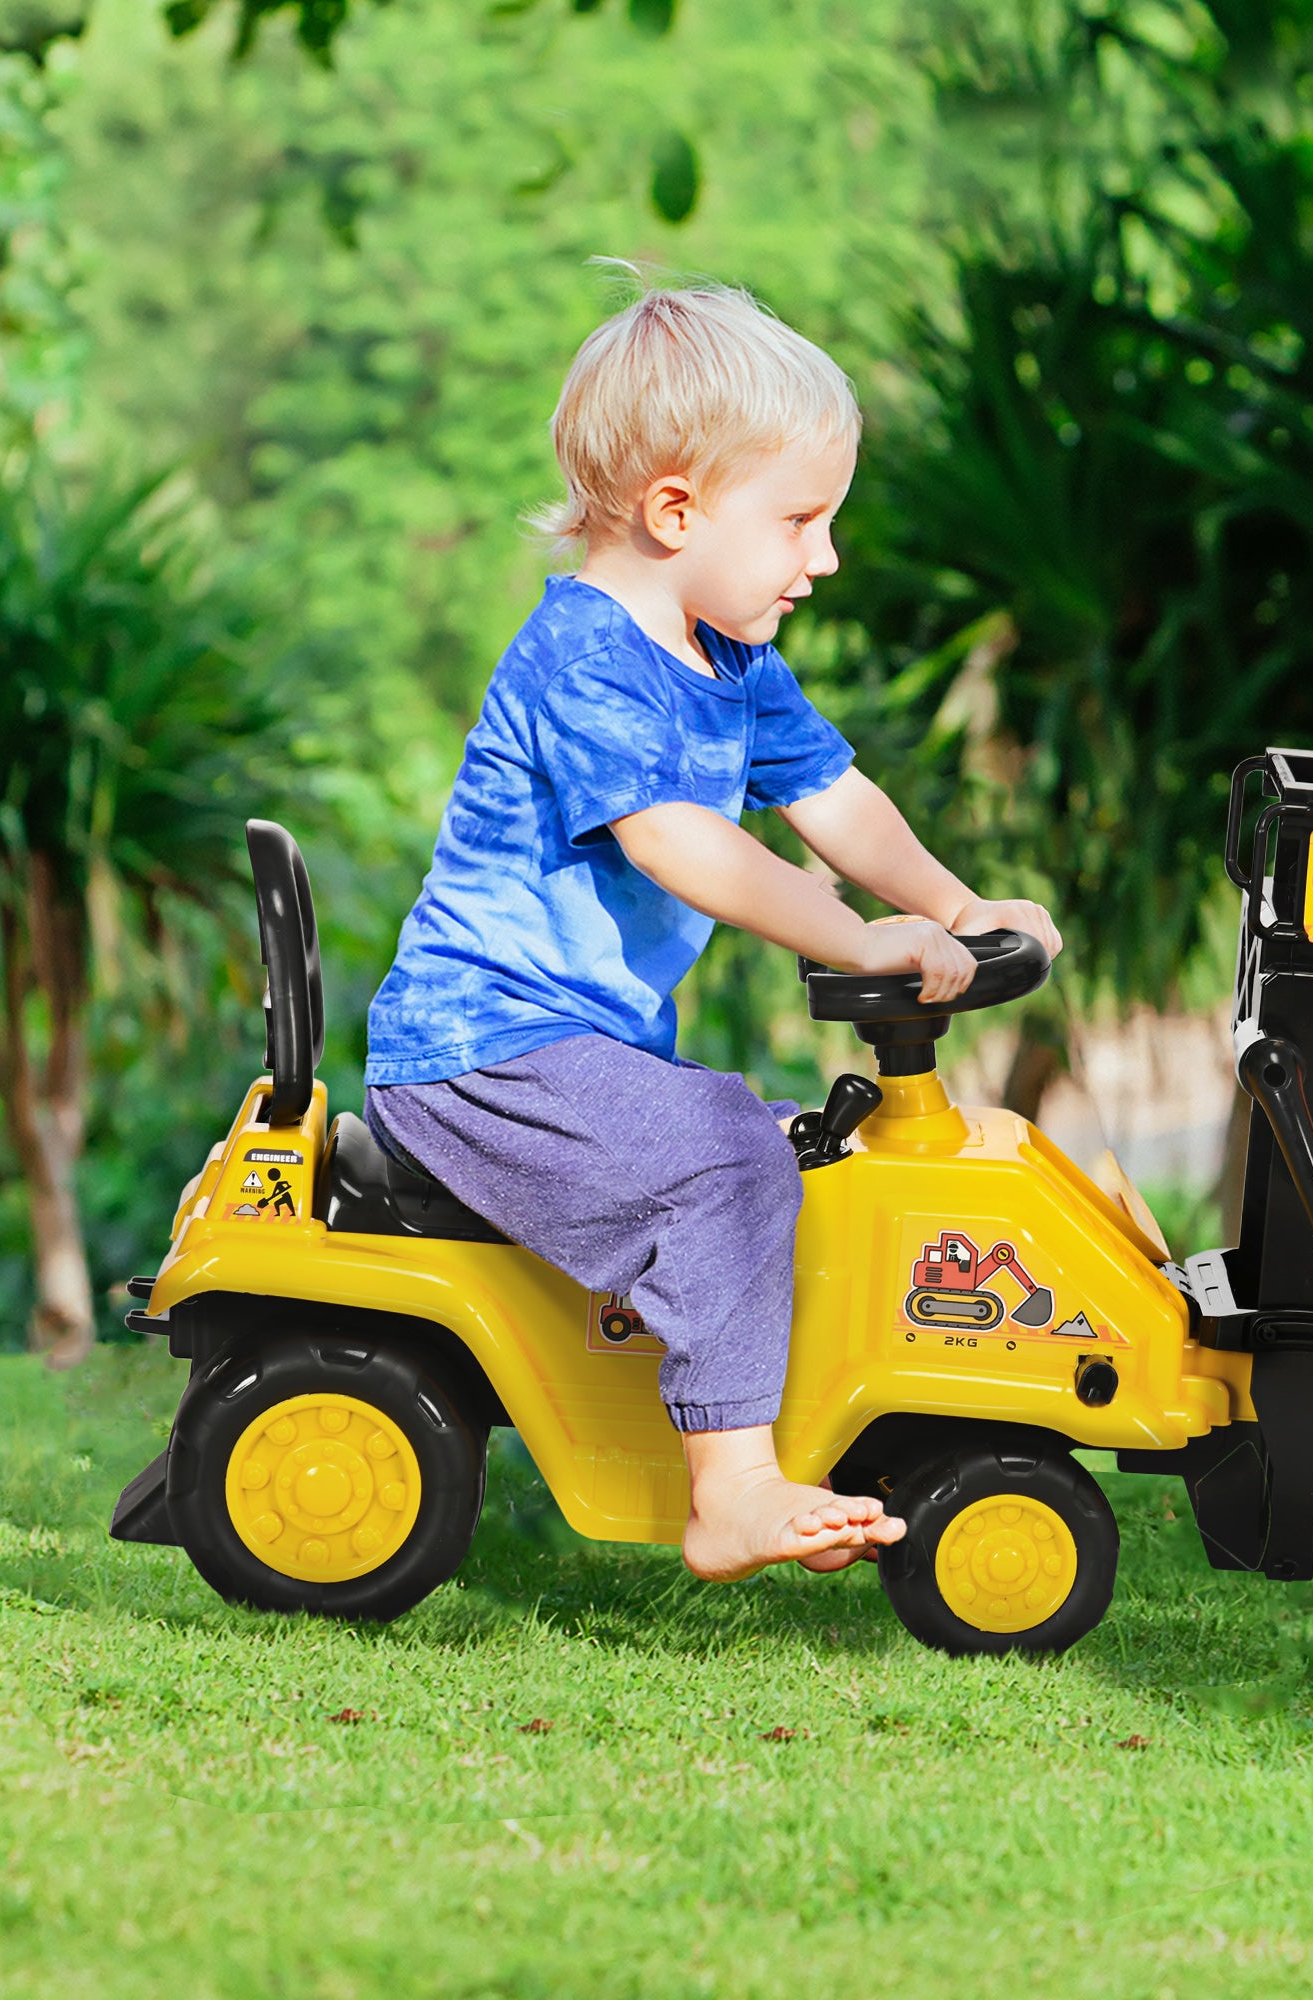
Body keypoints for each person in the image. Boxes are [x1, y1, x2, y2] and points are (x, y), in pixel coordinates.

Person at [362, 282, 1061, 1583]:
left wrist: (952, 908)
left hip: (575, 1045)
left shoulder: (732, 658)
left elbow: (834, 801)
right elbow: (679, 840)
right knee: (727, 1156)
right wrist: (857, 942)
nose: (826, 558)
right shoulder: (583, 655)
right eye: (800, 520)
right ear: (675, 511)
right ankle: (732, 1489)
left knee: (794, 1148)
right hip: (484, 1051)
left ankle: (798, 1409)